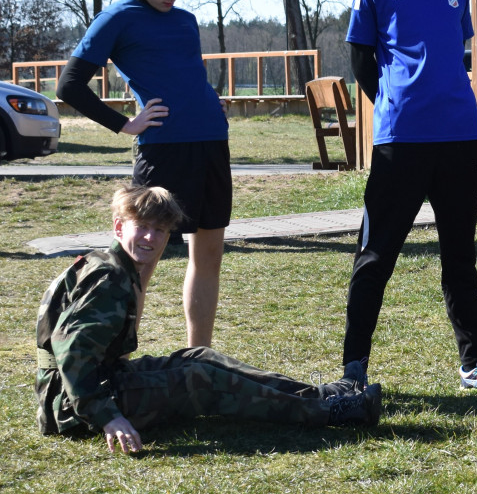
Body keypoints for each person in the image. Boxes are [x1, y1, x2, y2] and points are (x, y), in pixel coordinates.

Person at [36, 185, 382, 455]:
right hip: (74, 408)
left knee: (197, 357)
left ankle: (323, 395)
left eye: (159, 230)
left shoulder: (111, 267)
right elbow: (73, 355)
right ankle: (333, 413)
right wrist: (108, 416)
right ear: (118, 227)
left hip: (98, 385)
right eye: (141, 227)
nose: (150, 238)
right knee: (198, 379)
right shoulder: (108, 279)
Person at [344, 0, 477, 394]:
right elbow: (360, 62)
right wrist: (397, 103)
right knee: (376, 254)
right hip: (402, 143)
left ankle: (473, 364)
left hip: (460, 136)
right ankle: (354, 369)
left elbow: (450, 54)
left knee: (460, 255)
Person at [57, 0, 229, 348]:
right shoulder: (116, 19)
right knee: (139, 263)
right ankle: (117, 361)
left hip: (210, 142)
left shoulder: (186, 20)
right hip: (163, 151)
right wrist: (124, 124)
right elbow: (69, 85)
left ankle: (199, 361)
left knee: (208, 258)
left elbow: (182, 74)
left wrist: (207, 102)